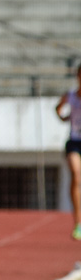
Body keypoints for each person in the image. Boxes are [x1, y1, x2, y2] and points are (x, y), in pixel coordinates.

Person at [54, 63, 81, 241]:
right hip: (75, 142)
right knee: (76, 174)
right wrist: (64, 118)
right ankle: (78, 223)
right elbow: (57, 108)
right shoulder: (70, 96)